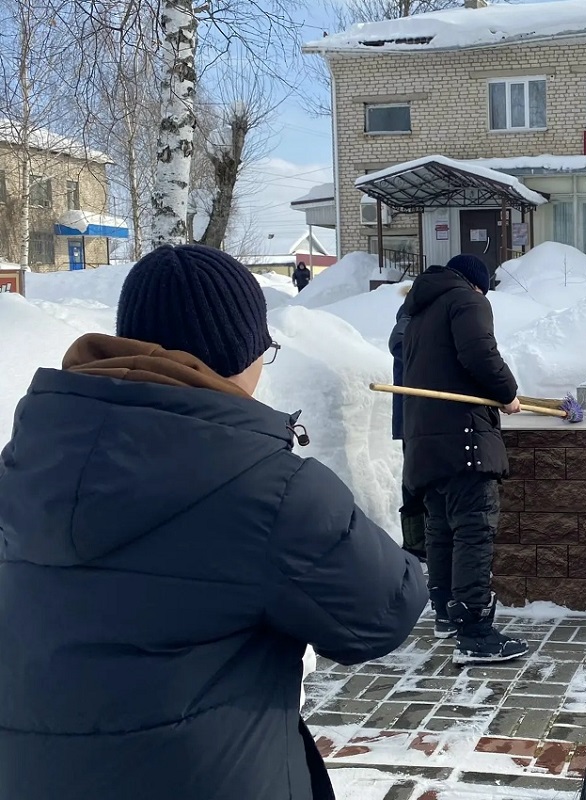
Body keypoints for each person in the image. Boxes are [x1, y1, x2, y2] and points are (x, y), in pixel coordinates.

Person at [0, 243, 429, 800]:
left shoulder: (28, 458)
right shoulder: (270, 489)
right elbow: (382, 613)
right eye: (263, 350)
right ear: (235, 355)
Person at [400, 253, 527, 664]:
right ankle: (474, 633)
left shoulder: (419, 311)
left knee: (442, 527)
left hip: (425, 442)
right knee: (473, 528)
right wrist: (507, 394)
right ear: (478, 284)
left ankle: (445, 613)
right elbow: (480, 355)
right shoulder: (467, 301)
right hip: (464, 437)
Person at [388, 284, 428, 563]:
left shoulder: (416, 312)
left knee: (416, 480)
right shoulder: (411, 314)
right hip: (414, 415)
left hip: (417, 415)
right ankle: (416, 547)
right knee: (414, 482)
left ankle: (419, 545)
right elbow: (399, 342)